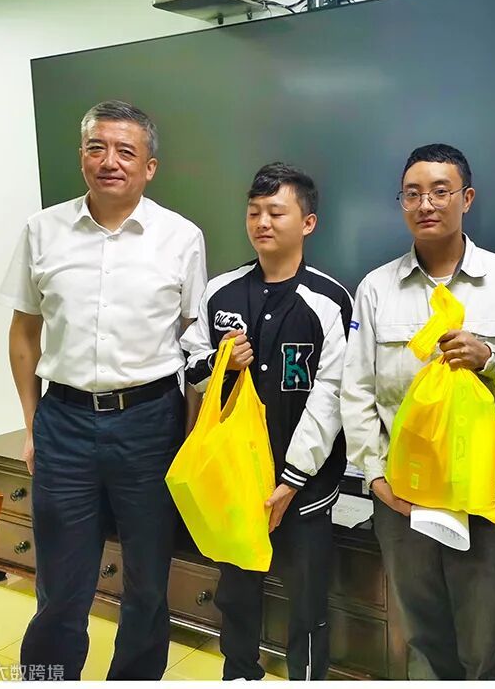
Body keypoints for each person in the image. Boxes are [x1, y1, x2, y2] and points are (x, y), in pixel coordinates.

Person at [0, 100, 207, 680]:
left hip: (151, 423)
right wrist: (33, 423)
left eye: (125, 151)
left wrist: (189, 437)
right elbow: (24, 332)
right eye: (97, 148)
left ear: (149, 166)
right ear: (82, 156)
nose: (110, 161)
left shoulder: (181, 237)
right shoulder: (43, 230)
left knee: (148, 583)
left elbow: (195, 344)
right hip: (64, 422)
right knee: (60, 584)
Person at [341, 143, 495, 679]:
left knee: (485, 642)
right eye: (412, 194)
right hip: (403, 497)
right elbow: (357, 391)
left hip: (480, 497)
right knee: (421, 636)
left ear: (466, 198)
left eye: (440, 191)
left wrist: (490, 358)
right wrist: (375, 477)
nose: (426, 204)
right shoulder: (377, 288)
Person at [181, 162, 351, 680]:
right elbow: (190, 366)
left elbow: (332, 395)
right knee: (236, 593)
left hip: (304, 484)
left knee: (307, 602)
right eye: (254, 212)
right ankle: (239, 673)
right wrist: (221, 365)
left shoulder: (330, 300)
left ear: (308, 223)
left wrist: (291, 480)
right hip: (235, 479)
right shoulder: (221, 292)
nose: (262, 223)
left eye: (276, 212)